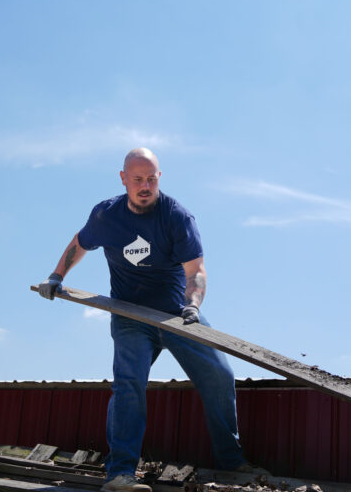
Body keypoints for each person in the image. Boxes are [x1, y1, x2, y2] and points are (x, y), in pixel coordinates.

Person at [39, 148, 264, 492]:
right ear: (123, 178)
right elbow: (80, 243)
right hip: (130, 315)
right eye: (138, 179)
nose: (145, 186)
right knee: (128, 384)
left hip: (177, 314)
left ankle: (231, 462)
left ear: (160, 178)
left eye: (151, 179)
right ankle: (119, 474)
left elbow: (196, 271)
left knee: (220, 374)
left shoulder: (177, 217)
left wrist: (192, 305)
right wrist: (56, 276)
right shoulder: (106, 216)